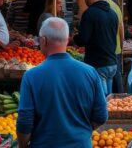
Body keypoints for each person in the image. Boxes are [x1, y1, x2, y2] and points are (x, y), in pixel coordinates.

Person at [16, 17, 107, 148]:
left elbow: (25, 122)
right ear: (68, 39)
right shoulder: (90, 72)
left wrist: (22, 146)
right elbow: (101, 115)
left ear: (43, 40)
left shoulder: (31, 76)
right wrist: (81, 131)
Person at [73, 0, 119, 96]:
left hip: (98, 63)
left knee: (101, 101)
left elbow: (83, 39)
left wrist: (74, 38)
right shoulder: (112, 13)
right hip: (112, 62)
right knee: (108, 101)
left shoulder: (89, 13)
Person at [98, 0, 125, 94]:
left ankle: (109, 102)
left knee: (106, 77)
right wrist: (121, 44)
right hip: (116, 48)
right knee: (116, 76)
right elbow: (121, 28)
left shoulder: (100, 6)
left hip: (106, 49)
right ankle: (118, 98)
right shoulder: (116, 7)